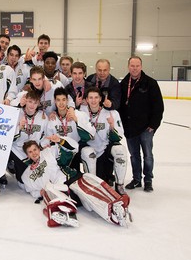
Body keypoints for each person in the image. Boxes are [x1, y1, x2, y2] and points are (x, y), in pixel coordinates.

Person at [21, 140, 131, 228]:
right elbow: (30, 189)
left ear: (39, 149)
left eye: (35, 149)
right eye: (30, 152)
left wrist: (59, 140)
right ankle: (65, 214)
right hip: (61, 191)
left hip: (69, 179)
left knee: (89, 196)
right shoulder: (27, 174)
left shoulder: (48, 153)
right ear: (27, 155)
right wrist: (38, 193)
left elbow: (73, 147)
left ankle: (114, 209)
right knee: (49, 189)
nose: (34, 153)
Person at [118, 56, 164, 192]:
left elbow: (158, 107)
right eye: (132, 66)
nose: (134, 68)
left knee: (148, 155)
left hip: (146, 128)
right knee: (134, 155)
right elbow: (120, 106)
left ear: (141, 66)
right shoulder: (124, 83)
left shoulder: (150, 83)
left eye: (137, 66)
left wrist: (153, 125)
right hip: (130, 128)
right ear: (128, 67)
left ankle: (148, 179)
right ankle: (137, 179)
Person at [80, 87, 127, 195]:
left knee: (120, 150)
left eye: (96, 97)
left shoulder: (111, 113)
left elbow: (119, 137)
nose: (93, 100)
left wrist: (111, 126)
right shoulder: (81, 113)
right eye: (90, 97)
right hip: (89, 150)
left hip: (105, 150)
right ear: (86, 99)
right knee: (88, 152)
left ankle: (119, 185)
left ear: (101, 98)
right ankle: (91, 185)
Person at [46, 87, 96, 173]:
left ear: (67, 101)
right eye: (58, 100)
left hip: (76, 149)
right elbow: (49, 141)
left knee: (89, 153)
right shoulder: (52, 118)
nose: (61, 103)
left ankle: (91, 180)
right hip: (61, 152)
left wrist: (77, 121)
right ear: (55, 101)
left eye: (63, 100)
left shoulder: (78, 114)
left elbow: (91, 135)